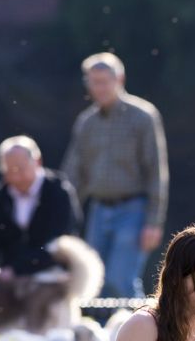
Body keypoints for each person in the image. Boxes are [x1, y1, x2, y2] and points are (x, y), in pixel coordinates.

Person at [62, 52, 169, 299]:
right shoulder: (86, 122)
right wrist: (62, 215)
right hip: (98, 210)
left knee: (120, 281)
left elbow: (156, 171)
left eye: (104, 81)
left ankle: (143, 334)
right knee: (93, 284)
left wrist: (154, 221)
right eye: (93, 82)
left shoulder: (142, 116)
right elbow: (74, 174)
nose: (98, 88)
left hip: (133, 209)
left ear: (119, 79)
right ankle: (106, 338)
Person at [0, 135, 81, 294]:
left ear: (37, 162)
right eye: (9, 171)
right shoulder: (0, 197)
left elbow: (58, 242)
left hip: (51, 275)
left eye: (20, 169)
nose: (15, 177)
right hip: (9, 280)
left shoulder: (58, 192)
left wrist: (17, 269)